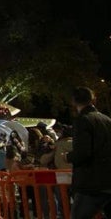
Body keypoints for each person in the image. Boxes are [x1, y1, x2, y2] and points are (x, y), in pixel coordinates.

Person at [64, 86, 111, 219]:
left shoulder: (83, 120)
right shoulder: (107, 120)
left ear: (73, 101)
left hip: (91, 183)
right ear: (93, 99)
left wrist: (68, 156)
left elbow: (83, 152)